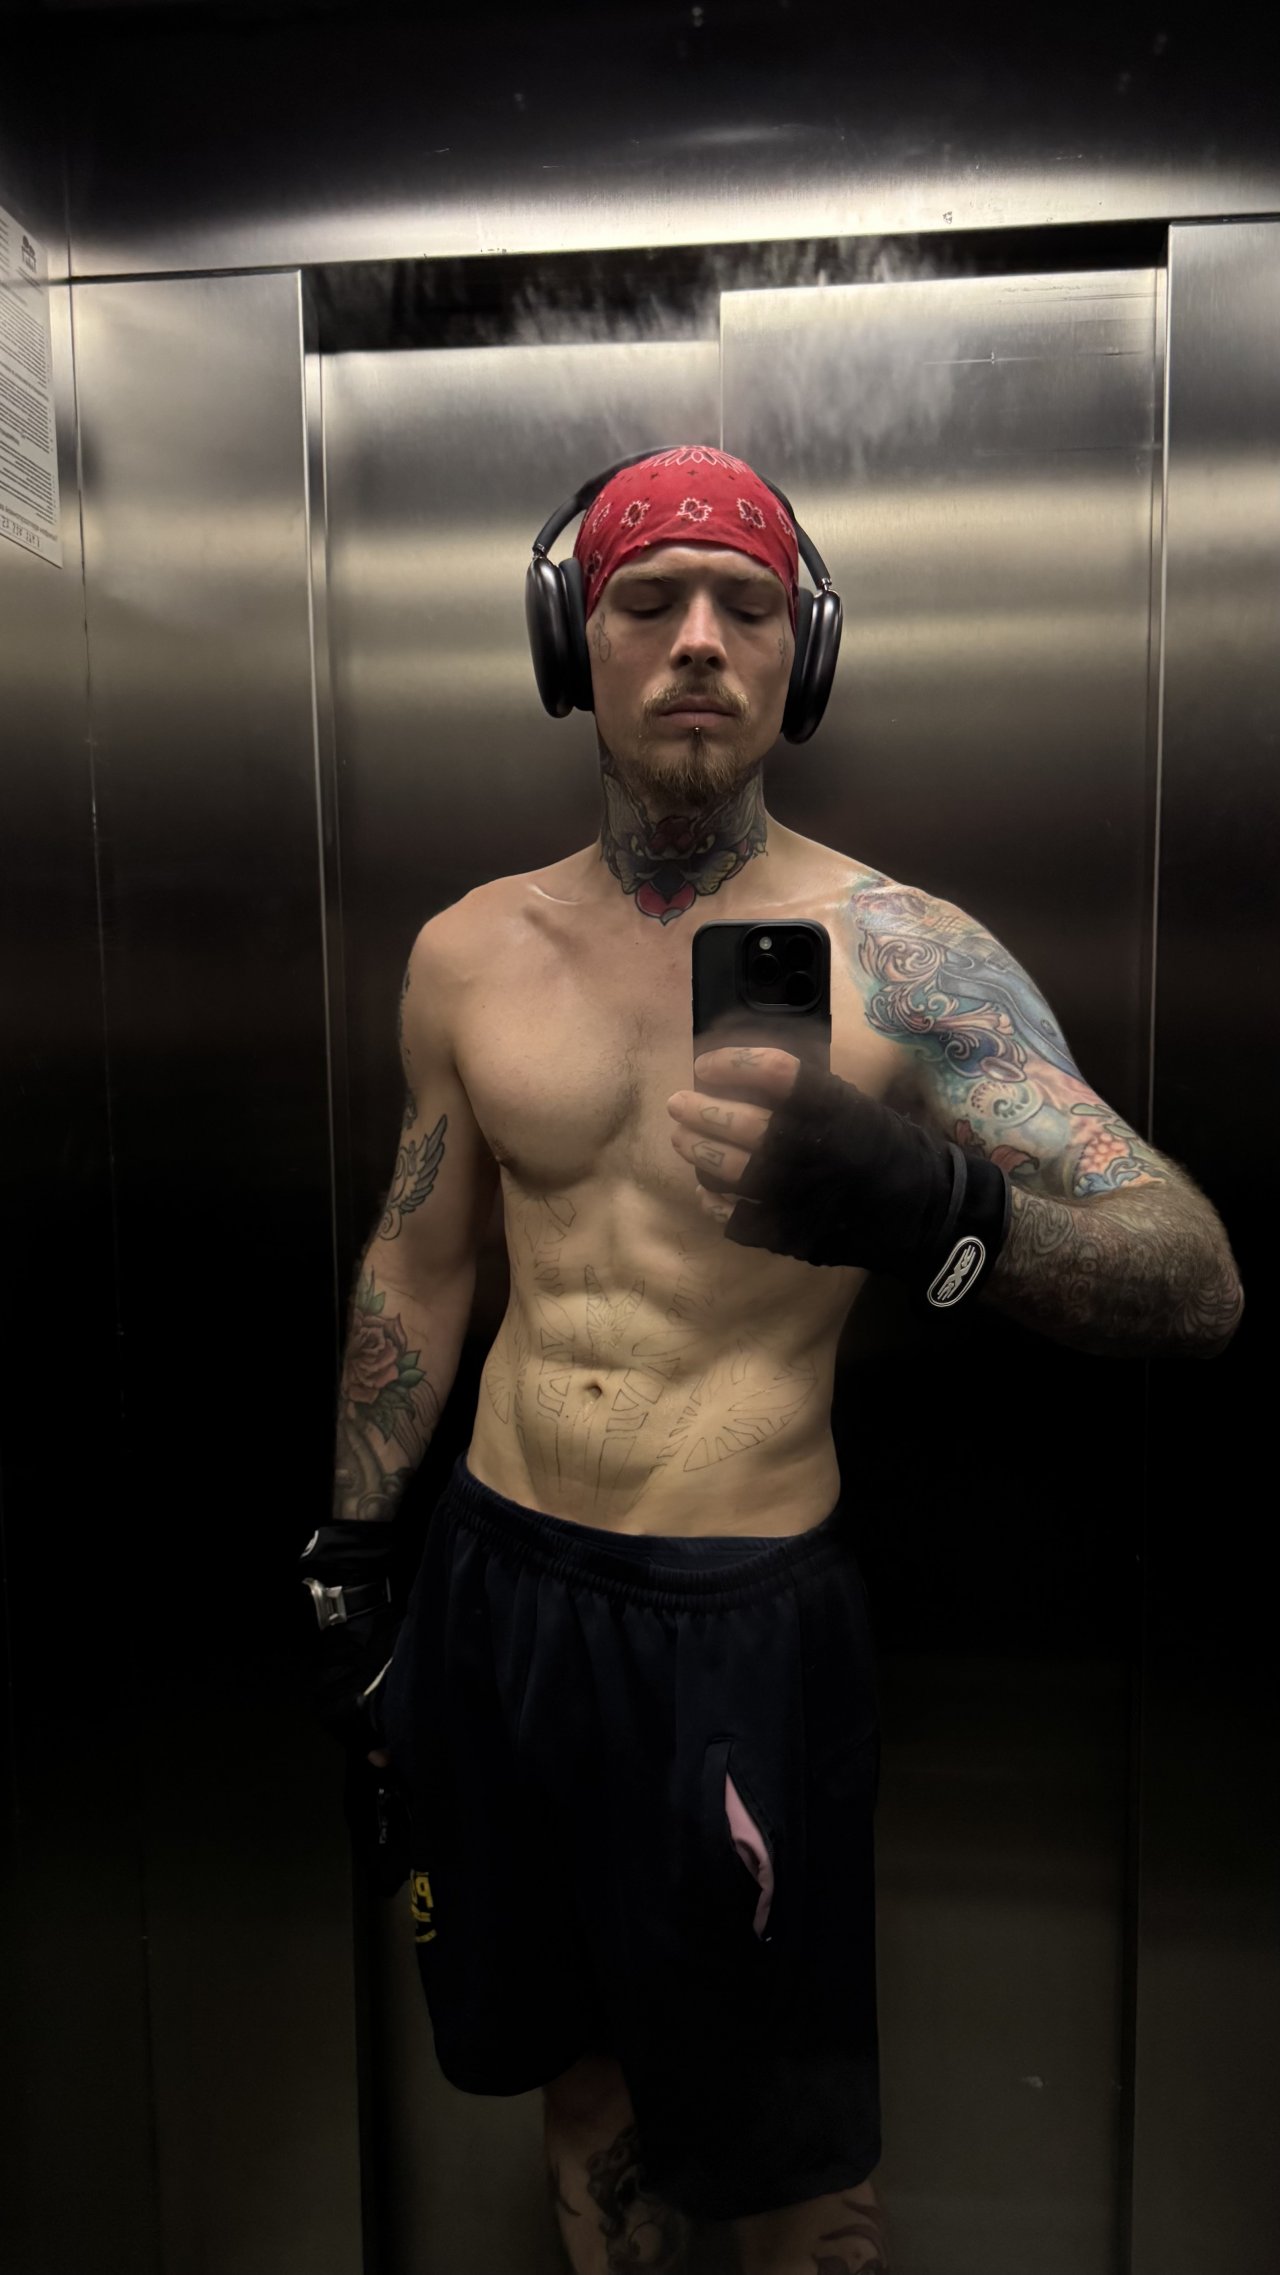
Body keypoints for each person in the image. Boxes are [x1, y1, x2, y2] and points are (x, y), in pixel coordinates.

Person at [301, 445, 1243, 2275]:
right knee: (584, 2096)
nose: (698, 642)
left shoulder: (907, 959)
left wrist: (937, 1208)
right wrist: (352, 1550)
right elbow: (419, 1261)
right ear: (573, 641)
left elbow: (1193, 1278)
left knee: (802, 2170)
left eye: (746, 605)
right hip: (498, 1593)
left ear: (802, 654)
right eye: (648, 599)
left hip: (738, 1626)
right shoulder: (471, 953)